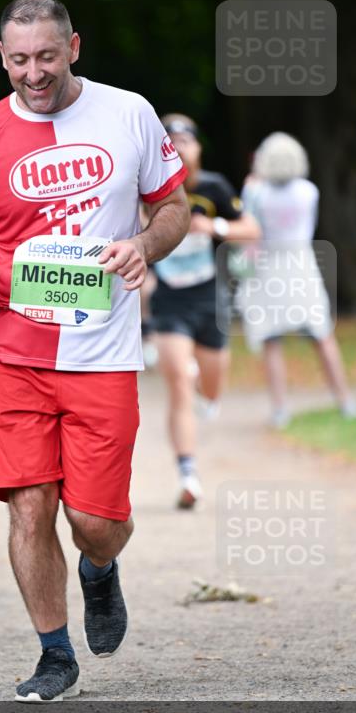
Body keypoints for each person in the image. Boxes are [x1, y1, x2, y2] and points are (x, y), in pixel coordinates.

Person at [0, 0, 190, 702]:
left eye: (45, 56)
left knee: (95, 521)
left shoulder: (128, 112)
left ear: (73, 47)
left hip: (102, 350)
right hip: (11, 348)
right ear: (2, 58)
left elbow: (173, 207)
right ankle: (53, 654)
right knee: (29, 505)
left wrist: (143, 245)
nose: (33, 72)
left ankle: (99, 569)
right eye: (17, 59)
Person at [150, 114, 261, 509]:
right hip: (169, 301)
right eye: (170, 141)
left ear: (197, 148)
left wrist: (213, 229)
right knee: (178, 381)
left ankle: (203, 385)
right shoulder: (145, 191)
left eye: (186, 141)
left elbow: (251, 229)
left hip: (208, 300)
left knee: (210, 392)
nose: (178, 146)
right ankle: (187, 473)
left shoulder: (213, 187)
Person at [236, 132, 356, 428]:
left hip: (268, 266)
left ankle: (281, 408)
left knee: (271, 340)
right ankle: (344, 400)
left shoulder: (256, 193)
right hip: (302, 264)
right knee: (321, 335)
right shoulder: (309, 191)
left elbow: (249, 231)